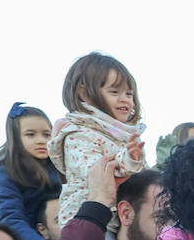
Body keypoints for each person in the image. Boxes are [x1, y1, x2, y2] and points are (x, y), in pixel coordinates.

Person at [47, 52, 146, 226]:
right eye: (114, 91)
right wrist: (129, 160)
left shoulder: (123, 136)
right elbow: (97, 173)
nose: (124, 99)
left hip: (123, 218)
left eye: (129, 94)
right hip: (91, 220)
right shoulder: (77, 135)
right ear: (84, 94)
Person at [0, 102, 63, 240]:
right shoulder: (5, 173)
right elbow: (11, 217)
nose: (41, 140)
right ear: (15, 138)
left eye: (46, 134)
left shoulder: (61, 166)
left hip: (69, 234)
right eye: (30, 134)